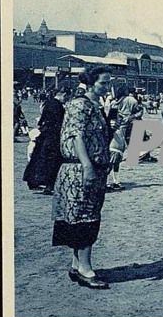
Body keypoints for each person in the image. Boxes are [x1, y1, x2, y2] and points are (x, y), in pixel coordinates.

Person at [52, 66, 112, 289]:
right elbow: (76, 135)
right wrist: (87, 165)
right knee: (85, 217)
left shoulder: (93, 105)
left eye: (108, 83)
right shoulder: (80, 104)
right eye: (103, 83)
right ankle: (86, 270)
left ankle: (77, 265)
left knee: (81, 214)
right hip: (80, 170)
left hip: (90, 168)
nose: (107, 87)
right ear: (90, 83)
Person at [22, 87, 67, 194]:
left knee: (38, 157)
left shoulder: (49, 103)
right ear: (62, 94)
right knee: (52, 161)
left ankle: (33, 181)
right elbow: (59, 122)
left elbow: (42, 120)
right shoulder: (58, 106)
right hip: (53, 136)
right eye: (65, 96)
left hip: (45, 134)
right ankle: (49, 184)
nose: (66, 99)